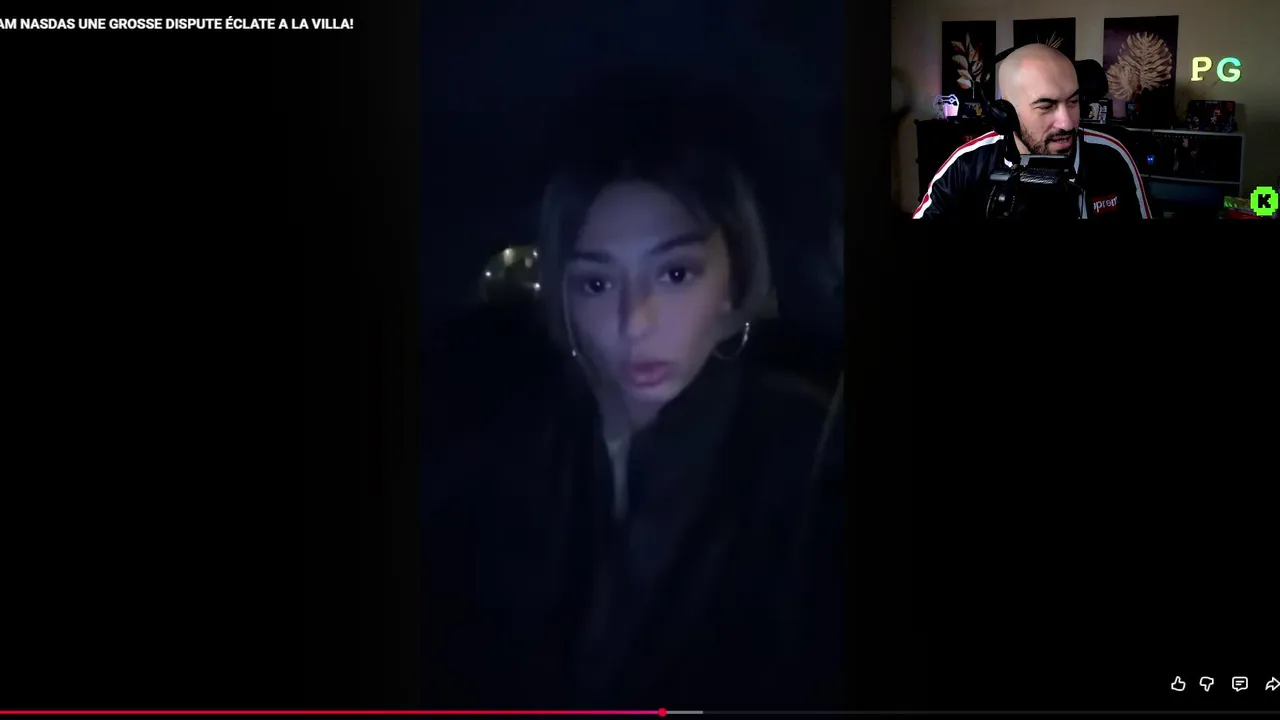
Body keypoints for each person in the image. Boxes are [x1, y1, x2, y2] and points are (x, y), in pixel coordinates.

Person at [420, 77, 846, 710]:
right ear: (562, 295)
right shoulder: (511, 442)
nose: (634, 323)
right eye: (596, 284)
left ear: (732, 282)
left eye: (675, 274)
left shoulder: (803, 453)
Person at [913, 43, 1151, 219]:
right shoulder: (965, 167)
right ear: (1005, 113)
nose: (1067, 123)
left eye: (1073, 101)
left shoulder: (1113, 157)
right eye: (1046, 106)